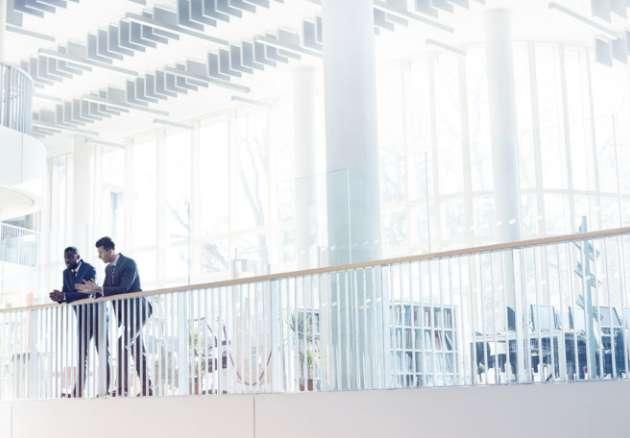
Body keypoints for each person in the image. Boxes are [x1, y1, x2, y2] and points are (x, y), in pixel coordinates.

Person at [76, 237, 154, 397]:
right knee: (137, 349)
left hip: (138, 311)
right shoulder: (108, 269)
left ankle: (123, 388)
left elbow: (124, 289)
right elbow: (105, 291)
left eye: (101, 252)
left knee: (121, 344)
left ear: (110, 250)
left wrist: (99, 289)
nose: (99, 256)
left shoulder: (129, 263)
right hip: (127, 316)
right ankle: (148, 388)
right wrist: (92, 291)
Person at [49, 246, 110, 397]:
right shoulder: (65, 273)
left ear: (78, 256)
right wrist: (59, 297)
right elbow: (67, 293)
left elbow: (86, 293)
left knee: (102, 353)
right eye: (65, 258)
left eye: (70, 257)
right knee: (81, 355)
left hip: (97, 316)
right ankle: (78, 392)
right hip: (82, 317)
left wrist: (64, 295)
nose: (67, 260)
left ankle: (105, 390)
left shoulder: (90, 269)